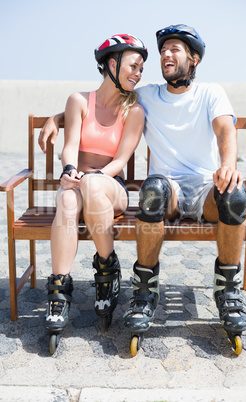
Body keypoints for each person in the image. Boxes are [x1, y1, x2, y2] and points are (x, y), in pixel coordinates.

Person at [39, 25, 246, 354]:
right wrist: (57, 117)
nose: (166, 53)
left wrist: (228, 164)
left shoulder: (211, 92)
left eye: (175, 49)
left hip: (206, 186)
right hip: (168, 191)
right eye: (163, 49)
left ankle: (228, 290)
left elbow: (225, 130)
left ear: (193, 59)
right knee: (151, 192)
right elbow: (101, 103)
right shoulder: (146, 95)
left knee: (235, 198)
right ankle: (144, 291)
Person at [44, 33, 148, 350]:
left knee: (90, 183)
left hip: (112, 187)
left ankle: (107, 269)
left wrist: (93, 177)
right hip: (80, 183)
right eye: (134, 66)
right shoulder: (78, 101)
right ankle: (59, 293)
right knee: (64, 198)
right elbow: (70, 147)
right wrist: (68, 172)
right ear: (112, 64)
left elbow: (120, 160)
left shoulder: (135, 111)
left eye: (142, 68)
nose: (138, 73)